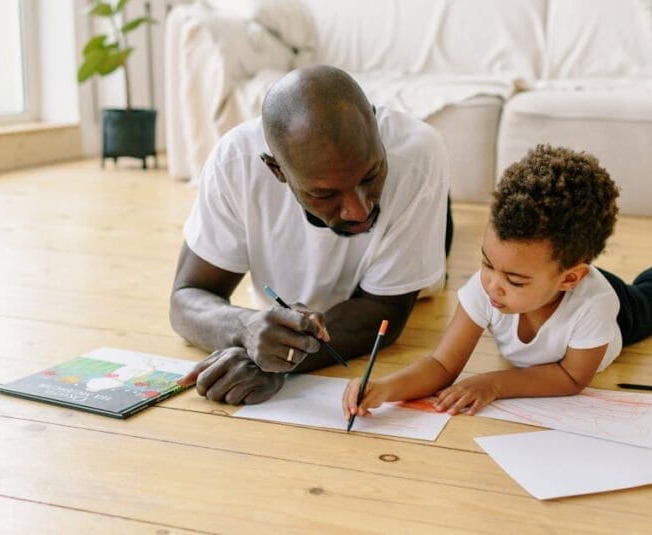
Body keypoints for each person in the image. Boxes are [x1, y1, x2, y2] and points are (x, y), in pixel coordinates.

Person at [342, 144, 652, 419]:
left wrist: (494, 383)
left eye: (514, 281)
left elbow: (570, 377)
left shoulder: (594, 304)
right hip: (571, 286)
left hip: (620, 310)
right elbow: (442, 364)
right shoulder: (487, 286)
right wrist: (385, 388)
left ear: (569, 278)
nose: (492, 286)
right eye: (487, 263)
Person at [171, 65, 450, 405]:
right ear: (277, 170)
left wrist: (279, 361)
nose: (359, 211)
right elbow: (187, 297)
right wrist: (246, 328)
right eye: (325, 194)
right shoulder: (235, 163)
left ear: (377, 130)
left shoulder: (419, 153)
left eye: (370, 175)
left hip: (416, 238)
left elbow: (386, 310)